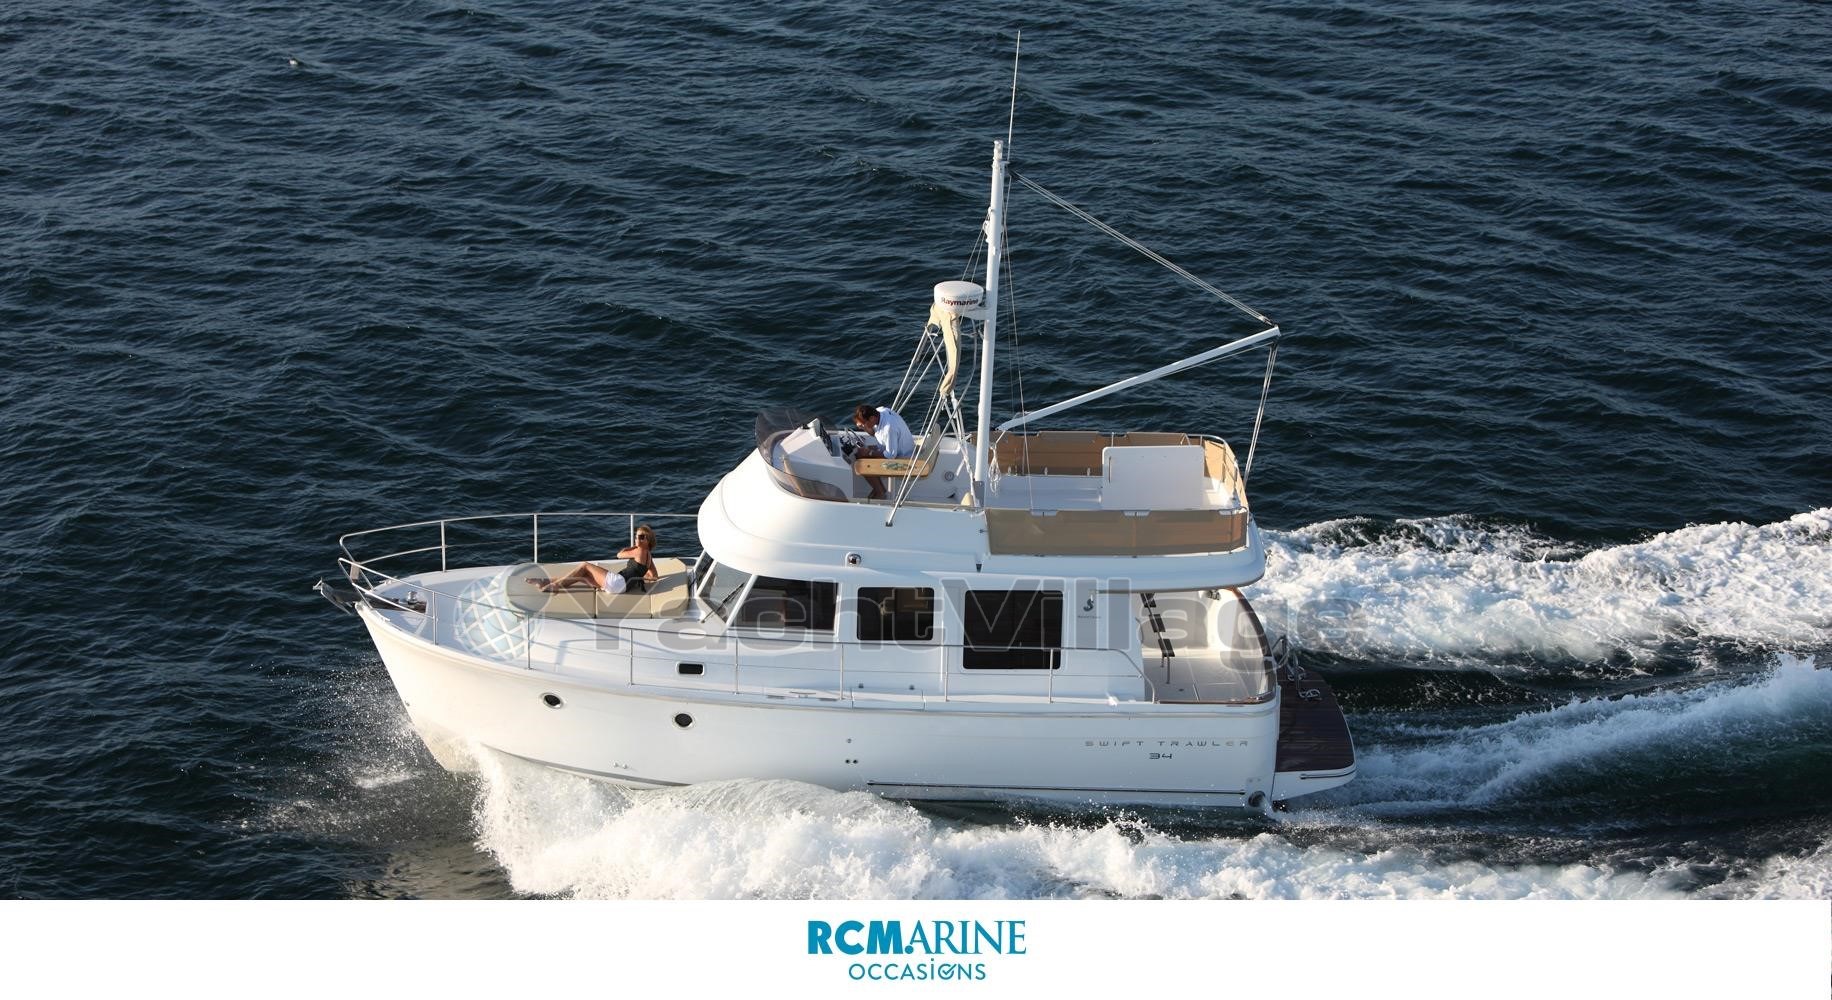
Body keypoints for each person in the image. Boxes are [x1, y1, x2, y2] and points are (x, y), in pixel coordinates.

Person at [534, 523, 659, 594]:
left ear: (648, 540)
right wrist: (638, 576)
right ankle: (545, 582)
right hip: (622, 587)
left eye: (641, 537)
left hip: (618, 582)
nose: (637, 539)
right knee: (582, 576)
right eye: (636, 536)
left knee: (584, 565)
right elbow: (654, 576)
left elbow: (619, 555)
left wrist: (631, 547)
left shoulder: (639, 551)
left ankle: (555, 586)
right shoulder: (649, 556)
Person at [852, 403, 915, 499]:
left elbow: (890, 455)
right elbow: (875, 433)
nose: (863, 425)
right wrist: (864, 427)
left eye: (864, 423)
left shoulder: (889, 428)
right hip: (893, 448)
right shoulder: (880, 411)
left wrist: (869, 452)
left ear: (872, 418)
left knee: (862, 459)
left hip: (903, 457)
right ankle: (879, 488)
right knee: (862, 452)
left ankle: (880, 492)